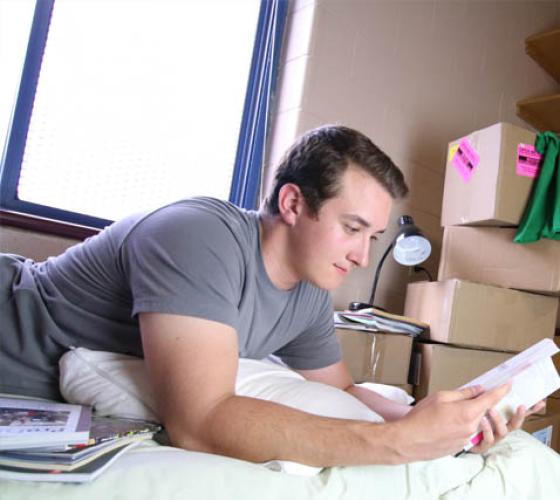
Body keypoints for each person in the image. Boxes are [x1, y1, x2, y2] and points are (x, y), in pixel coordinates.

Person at [0, 125, 541, 466]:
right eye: (352, 228)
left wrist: (439, 421)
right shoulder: (199, 235)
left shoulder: (308, 293)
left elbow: (347, 390)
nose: (361, 255)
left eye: (372, 238)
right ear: (292, 203)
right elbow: (197, 421)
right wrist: (395, 446)